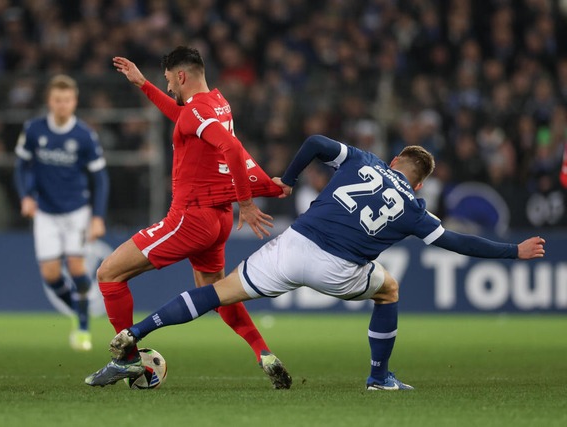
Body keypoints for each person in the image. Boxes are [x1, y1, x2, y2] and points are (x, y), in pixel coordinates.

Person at [88, 134, 546, 390]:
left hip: (292, 247)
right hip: (339, 270)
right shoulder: (414, 208)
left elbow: (314, 142)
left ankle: (137, 333)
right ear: (421, 184)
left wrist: (286, 179)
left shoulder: (363, 160)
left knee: (218, 291)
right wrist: (514, 251)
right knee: (388, 289)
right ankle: (378, 377)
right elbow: (457, 242)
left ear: (392, 161)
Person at [84, 47, 291, 389]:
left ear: (181, 75)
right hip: (217, 219)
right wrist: (143, 85)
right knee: (215, 293)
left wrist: (248, 203)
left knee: (109, 273)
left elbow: (233, 151)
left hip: (191, 217)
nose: (168, 89)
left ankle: (127, 359)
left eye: (167, 81)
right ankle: (263, 352)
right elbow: (188, 122)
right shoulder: (217, 103)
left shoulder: (197, 112)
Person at [14, 74, 109, 351]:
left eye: (67, 100)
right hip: (45, 212)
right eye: (57, 100)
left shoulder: (84, 135)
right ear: (49, 101)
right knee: (51, 275)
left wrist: (98, 216)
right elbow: (21, 166)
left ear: (74, 101)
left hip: (77, 211)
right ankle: (81, 312)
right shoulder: (34, 130)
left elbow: (101, 178)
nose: (62, 105)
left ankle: (82, 328)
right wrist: (25, 197)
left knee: (77, 267)